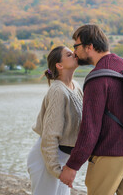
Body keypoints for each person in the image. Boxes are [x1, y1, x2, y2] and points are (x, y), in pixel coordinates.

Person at [59, 24, 123, 195]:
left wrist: (72, 166)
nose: (75, 52)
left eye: (76, 46)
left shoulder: (97, 78)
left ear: (90, 47)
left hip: (112, 153)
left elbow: (90, 129)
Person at [27, 46, 83, 195]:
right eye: (70, 54)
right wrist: (57, 171)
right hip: (47, 159)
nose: (75, 54)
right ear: (59, 65)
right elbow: (50, 136)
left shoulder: (75, 86)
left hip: (62, 159)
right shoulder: (58, 90)